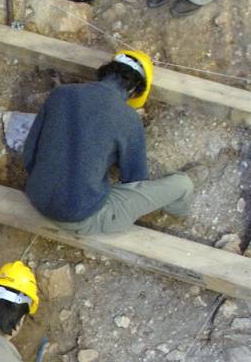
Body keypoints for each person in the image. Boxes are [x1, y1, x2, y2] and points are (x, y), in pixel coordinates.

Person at [23, 50, 194, 235]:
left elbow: (29, 154)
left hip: (36, 196)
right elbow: (135, 180)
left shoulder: (61, 93)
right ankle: (177, 213)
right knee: (183, 185)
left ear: (106, 72)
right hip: (81, 219)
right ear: (133, 89)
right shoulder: (128, 118)